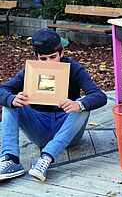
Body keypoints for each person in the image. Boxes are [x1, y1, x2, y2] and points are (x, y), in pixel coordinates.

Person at [0, 28, 107, 181]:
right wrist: (12, 99)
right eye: (43, 59)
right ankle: (11, 159)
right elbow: (2, 90)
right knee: (9, 103)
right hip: (39, 129)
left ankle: (46, 159)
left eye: (53, 57)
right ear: (37, 57)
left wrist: (79, 104)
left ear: (62, 53)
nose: (49, 63)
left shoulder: (75, 69)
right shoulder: (30, 71)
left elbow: (99, 96)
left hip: (67, 131)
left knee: (82, 106)